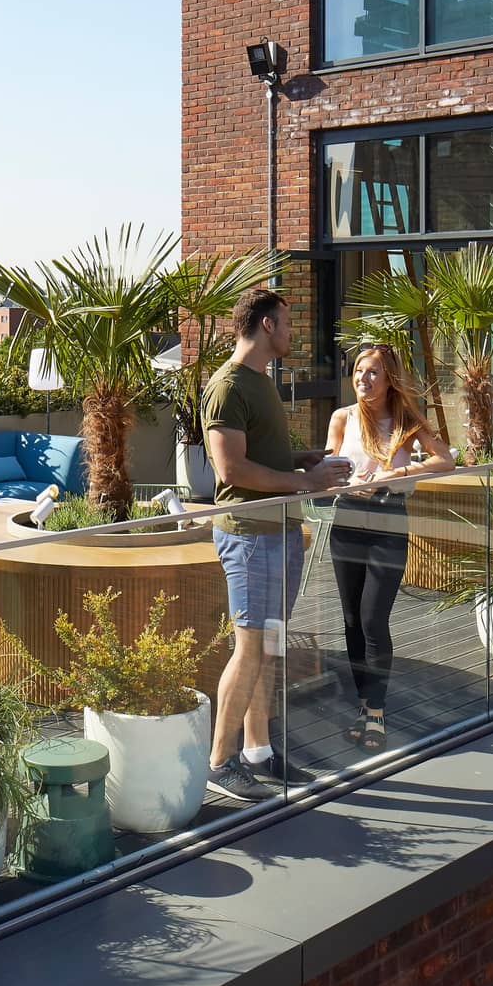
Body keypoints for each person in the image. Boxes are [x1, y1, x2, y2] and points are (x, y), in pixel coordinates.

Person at [201, 285, 344, 798]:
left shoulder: (261, 382)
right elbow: (231, 469)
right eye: (286, 323)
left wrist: (301, 460)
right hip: (250, 537)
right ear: (266, 326)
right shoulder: (228, 387)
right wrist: (308, 483)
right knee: (250, 647)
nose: (291, 332)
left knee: (271, 646)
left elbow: (260, 460)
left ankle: (257, 751)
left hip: (282, 531)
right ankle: (219, 763)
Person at [327, 342, 452, 750]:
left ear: (389, 378)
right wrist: (340, 479)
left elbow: (446, 459)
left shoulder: (405, 418)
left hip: (388, 519)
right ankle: (363, 703)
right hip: (347, 518)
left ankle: (377, 713)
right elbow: (328, 471)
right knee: (350, 619)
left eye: (373, 372)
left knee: (373, 619)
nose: (364, 379)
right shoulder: (342, 417)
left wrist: (395, 472)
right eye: (359, 372)